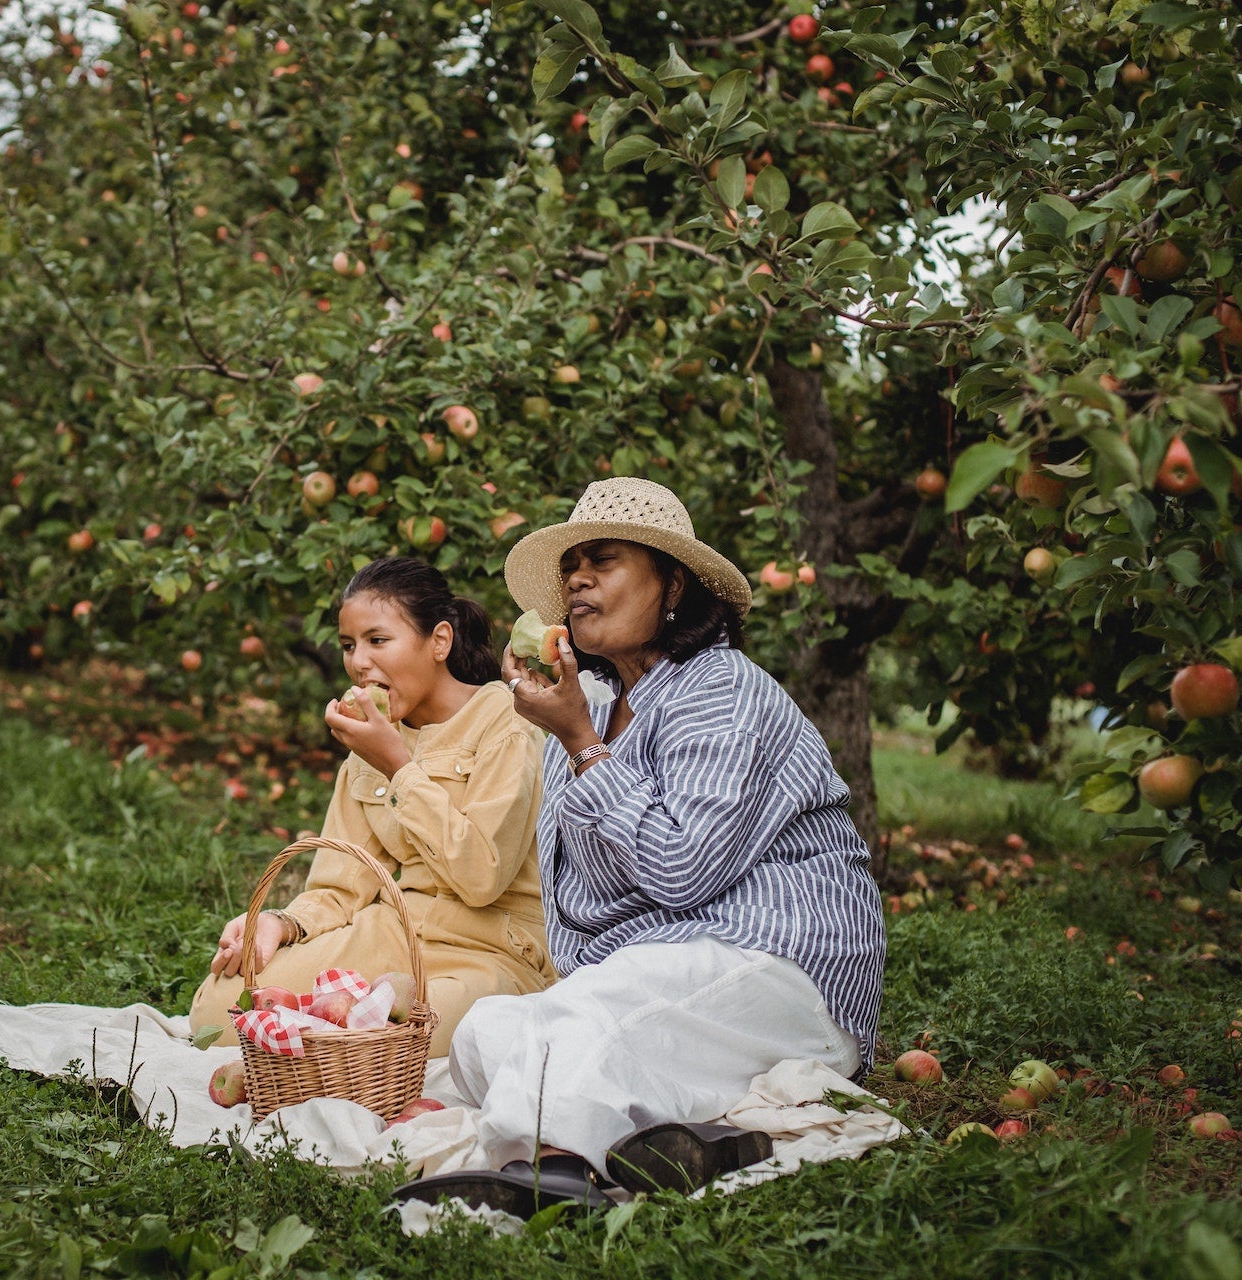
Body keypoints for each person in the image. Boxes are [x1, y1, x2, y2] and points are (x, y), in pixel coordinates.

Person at [398, 477, 886, 1214]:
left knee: (595, 1020)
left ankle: (555, 1173)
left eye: (604, 559)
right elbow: (582, 894)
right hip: (667, 967)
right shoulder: (590, 704)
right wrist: (571, 732)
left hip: (779, 965)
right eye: (571, 567)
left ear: (673, 586)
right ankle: (693, 1139)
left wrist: (582, 746)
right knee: (490, 1031)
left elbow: (682, 870)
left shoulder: (721, 689)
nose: (577, 579)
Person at [188, 556, 558, 1056]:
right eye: (348, 646)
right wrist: (283, 923)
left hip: (487, 948)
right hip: (395, 934)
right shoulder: (370, 738)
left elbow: (482, 878)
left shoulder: (505, 724)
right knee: (220, 1008)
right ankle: (332, 1046)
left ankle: (339, 1050)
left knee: (395, 1033)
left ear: (440, 642)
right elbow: (342, 886)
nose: (359, 661)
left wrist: (399, 767)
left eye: (377, 640)